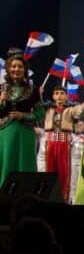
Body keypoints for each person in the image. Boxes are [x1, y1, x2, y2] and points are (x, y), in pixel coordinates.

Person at [0, 48, 43, 186]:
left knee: (25, 166)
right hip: (5, 134)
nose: (16, 69)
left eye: (20, 66)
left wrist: (23, 115)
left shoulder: (33, 90)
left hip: (26, 134)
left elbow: (40, 114)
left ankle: (25, 195)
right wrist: (1, 100)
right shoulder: (1, 89)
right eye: (13, 66)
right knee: (6, 165)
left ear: (25, 69)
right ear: (8, 69)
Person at [43, 84, 84, 202]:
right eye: (56, 93)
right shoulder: (48, 109)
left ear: (66, 96)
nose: (59, 96)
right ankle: (49, 200)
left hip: (64, 145)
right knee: (49, 172)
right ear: (53, 96)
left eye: (62, 93)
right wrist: (40, 93)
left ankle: (63, 199)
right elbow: (36, 105)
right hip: (50, 144)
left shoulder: (70, 110)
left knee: (64, 173)